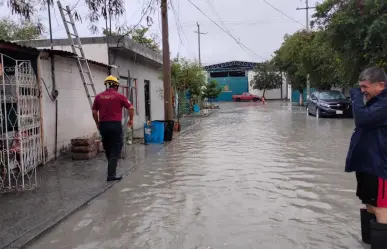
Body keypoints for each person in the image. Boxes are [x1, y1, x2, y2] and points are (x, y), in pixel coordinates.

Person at [345, 67, 387, 248]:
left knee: (380, 208)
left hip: (379, 166)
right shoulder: (375, 101)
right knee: (369, 204)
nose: (362, 90)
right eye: (360, 87)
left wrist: (355, 96)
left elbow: (361, 119)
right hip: (366, 164)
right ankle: (369, 243)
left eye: (365, 87)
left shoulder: (384, 103)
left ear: (381, 85)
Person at [92, 75, 134, 181]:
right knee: (116, 148)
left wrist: (97, 123)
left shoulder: (98, 97)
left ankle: (111, 167)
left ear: (106, 85)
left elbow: (94, 112)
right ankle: (111, 175)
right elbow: (131, 108)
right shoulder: (119, 96)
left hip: (103, 125)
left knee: (107, 147)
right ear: (116, 86)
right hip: (115, 125)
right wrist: (131, 119)